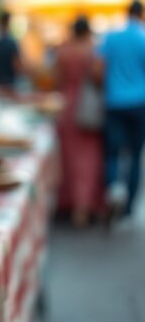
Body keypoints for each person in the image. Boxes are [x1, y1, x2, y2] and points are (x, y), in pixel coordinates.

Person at [97, 0, 145, 219]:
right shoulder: (142, 38)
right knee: (135, 156)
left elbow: (97, 69)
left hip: (114, 101)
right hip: (138, 103)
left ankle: (113, 190)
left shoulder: (111, 36)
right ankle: (127, 210)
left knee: (113, 153)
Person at [55, 17, 103, 226]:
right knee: (89, 161)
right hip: (88, 108)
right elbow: (99, 78)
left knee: (70, 159)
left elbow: (57, 80)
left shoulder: (64, 52)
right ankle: (85, 206)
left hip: (68, 106)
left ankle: (71, 203)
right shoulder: (94, 52)